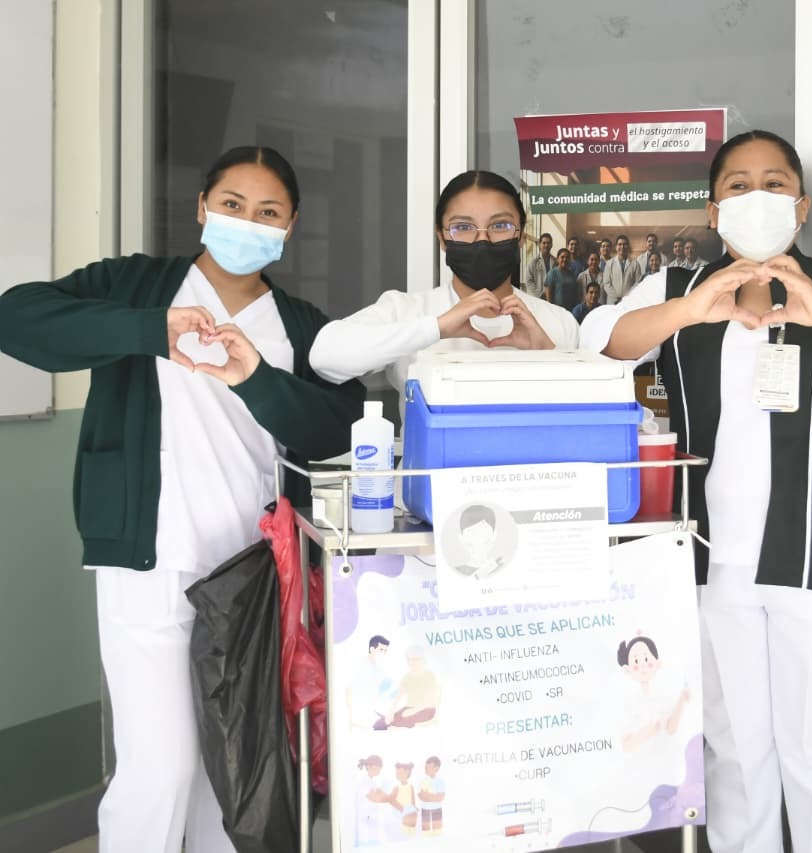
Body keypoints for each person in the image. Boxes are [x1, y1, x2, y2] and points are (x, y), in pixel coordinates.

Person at [580, 129, 812, 853]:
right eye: (738, 186)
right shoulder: (677, 288)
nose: (758, 197)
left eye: (775, 184)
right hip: (711, 558)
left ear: (801, 206)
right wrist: (692, 310)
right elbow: (597, 343)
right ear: (713, 211)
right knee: (736, 749)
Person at [0, 145, 365, 853]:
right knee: (160, 769)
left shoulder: (300, 325)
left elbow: (338, 428)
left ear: (290, 227)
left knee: (230, 769)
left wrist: (257, 379)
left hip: (253, 578)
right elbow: (18, 318)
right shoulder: (136, 285)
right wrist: (150, 330)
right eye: (232, 204)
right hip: (151, 561)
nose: (247, 222)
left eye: (268, 212)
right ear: (202, 208)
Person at [309, 171, 579, 394]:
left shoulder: (558, 322)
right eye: (463, 227)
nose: (482, 240)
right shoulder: (407, 310)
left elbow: (588, 417)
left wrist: (548, 354)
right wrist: (436, 327)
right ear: (441, 238)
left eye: (500, 226)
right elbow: (325, 356)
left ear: (520, 237)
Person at [601, 234, 643, 304]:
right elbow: (607, 283)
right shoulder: (609, 263)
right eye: (619, 244)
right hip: (613, 301)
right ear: (616, 247)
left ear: (628, 247)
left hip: (629, 300)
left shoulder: (635, 264)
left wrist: (627, 297)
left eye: (624, 244)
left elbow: (637, 283)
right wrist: (616, 298)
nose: (622, 247)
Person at [417, 756, 447, 835]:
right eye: (425, 767)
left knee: (437, 831)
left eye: (428, 768)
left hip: (436, 809)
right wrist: (431, 797)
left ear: (436, 769)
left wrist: (427, 796)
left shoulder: (440, 782)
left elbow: (440, 797)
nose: (426, 769)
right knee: (425, 831)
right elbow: (420, 795)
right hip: (425, 809)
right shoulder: (423, 781)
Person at [524, 232, 555, 298]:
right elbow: (528, 281)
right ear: (540, 245)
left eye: (548, 243)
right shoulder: (533, 262)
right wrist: (539, 295)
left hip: (551, 297)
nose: (546, 245)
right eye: (544, 243)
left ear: (551, 245)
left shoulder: (555, 262)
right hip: (537, 297)